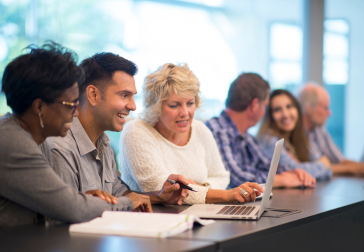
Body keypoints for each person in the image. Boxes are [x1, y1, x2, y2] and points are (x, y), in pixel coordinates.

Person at [0, 42, 143, 227]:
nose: (75, 113)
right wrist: (128, 203)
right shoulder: (12, 141)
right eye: (70, 105)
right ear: (39, 107)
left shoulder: (35, 139)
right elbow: (71, 209)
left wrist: (82, 199)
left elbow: (60, 203)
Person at [45, 53, 189, 206]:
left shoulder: (103, 142)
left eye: (133, 96)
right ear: (93, 95)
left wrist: (158, 197)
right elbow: (68, 213)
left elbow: (119, 193)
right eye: (124, 95)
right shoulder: (60, 148)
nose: (133, 106)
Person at [120, 63, 264, 205]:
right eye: (174, 105)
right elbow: (163, 190)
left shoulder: (200, 129)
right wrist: (225, 195)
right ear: (155, 106)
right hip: (153, 220)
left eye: (190, 103)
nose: (185, 113)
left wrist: (201, 188)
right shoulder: (135, 131)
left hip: (198, 216)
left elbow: (221, 176)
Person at [206, 73, 316, 189]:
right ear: (254, 105)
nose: (264, 112)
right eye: (264, 106)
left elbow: (268, 165)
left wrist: (295, 173)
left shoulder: (246, 136)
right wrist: (283, 180)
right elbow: (234, 178)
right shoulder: (218, 131)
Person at [298, 83, 364, 176]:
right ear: (309, 108)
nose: (329, 113)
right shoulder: (297, 134)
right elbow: (317, 168)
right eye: (325, 108)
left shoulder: (319, 129)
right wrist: (354, 168)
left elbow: (339, 160)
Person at [257, 89, 332, 180]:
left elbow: (328, 170)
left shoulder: (299, 135)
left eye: (289, 106)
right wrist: (322, 165)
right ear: (270, 116)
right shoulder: (268, 139)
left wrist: (321, 167)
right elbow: (294, 170)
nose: (285, 114)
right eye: (277, 110)